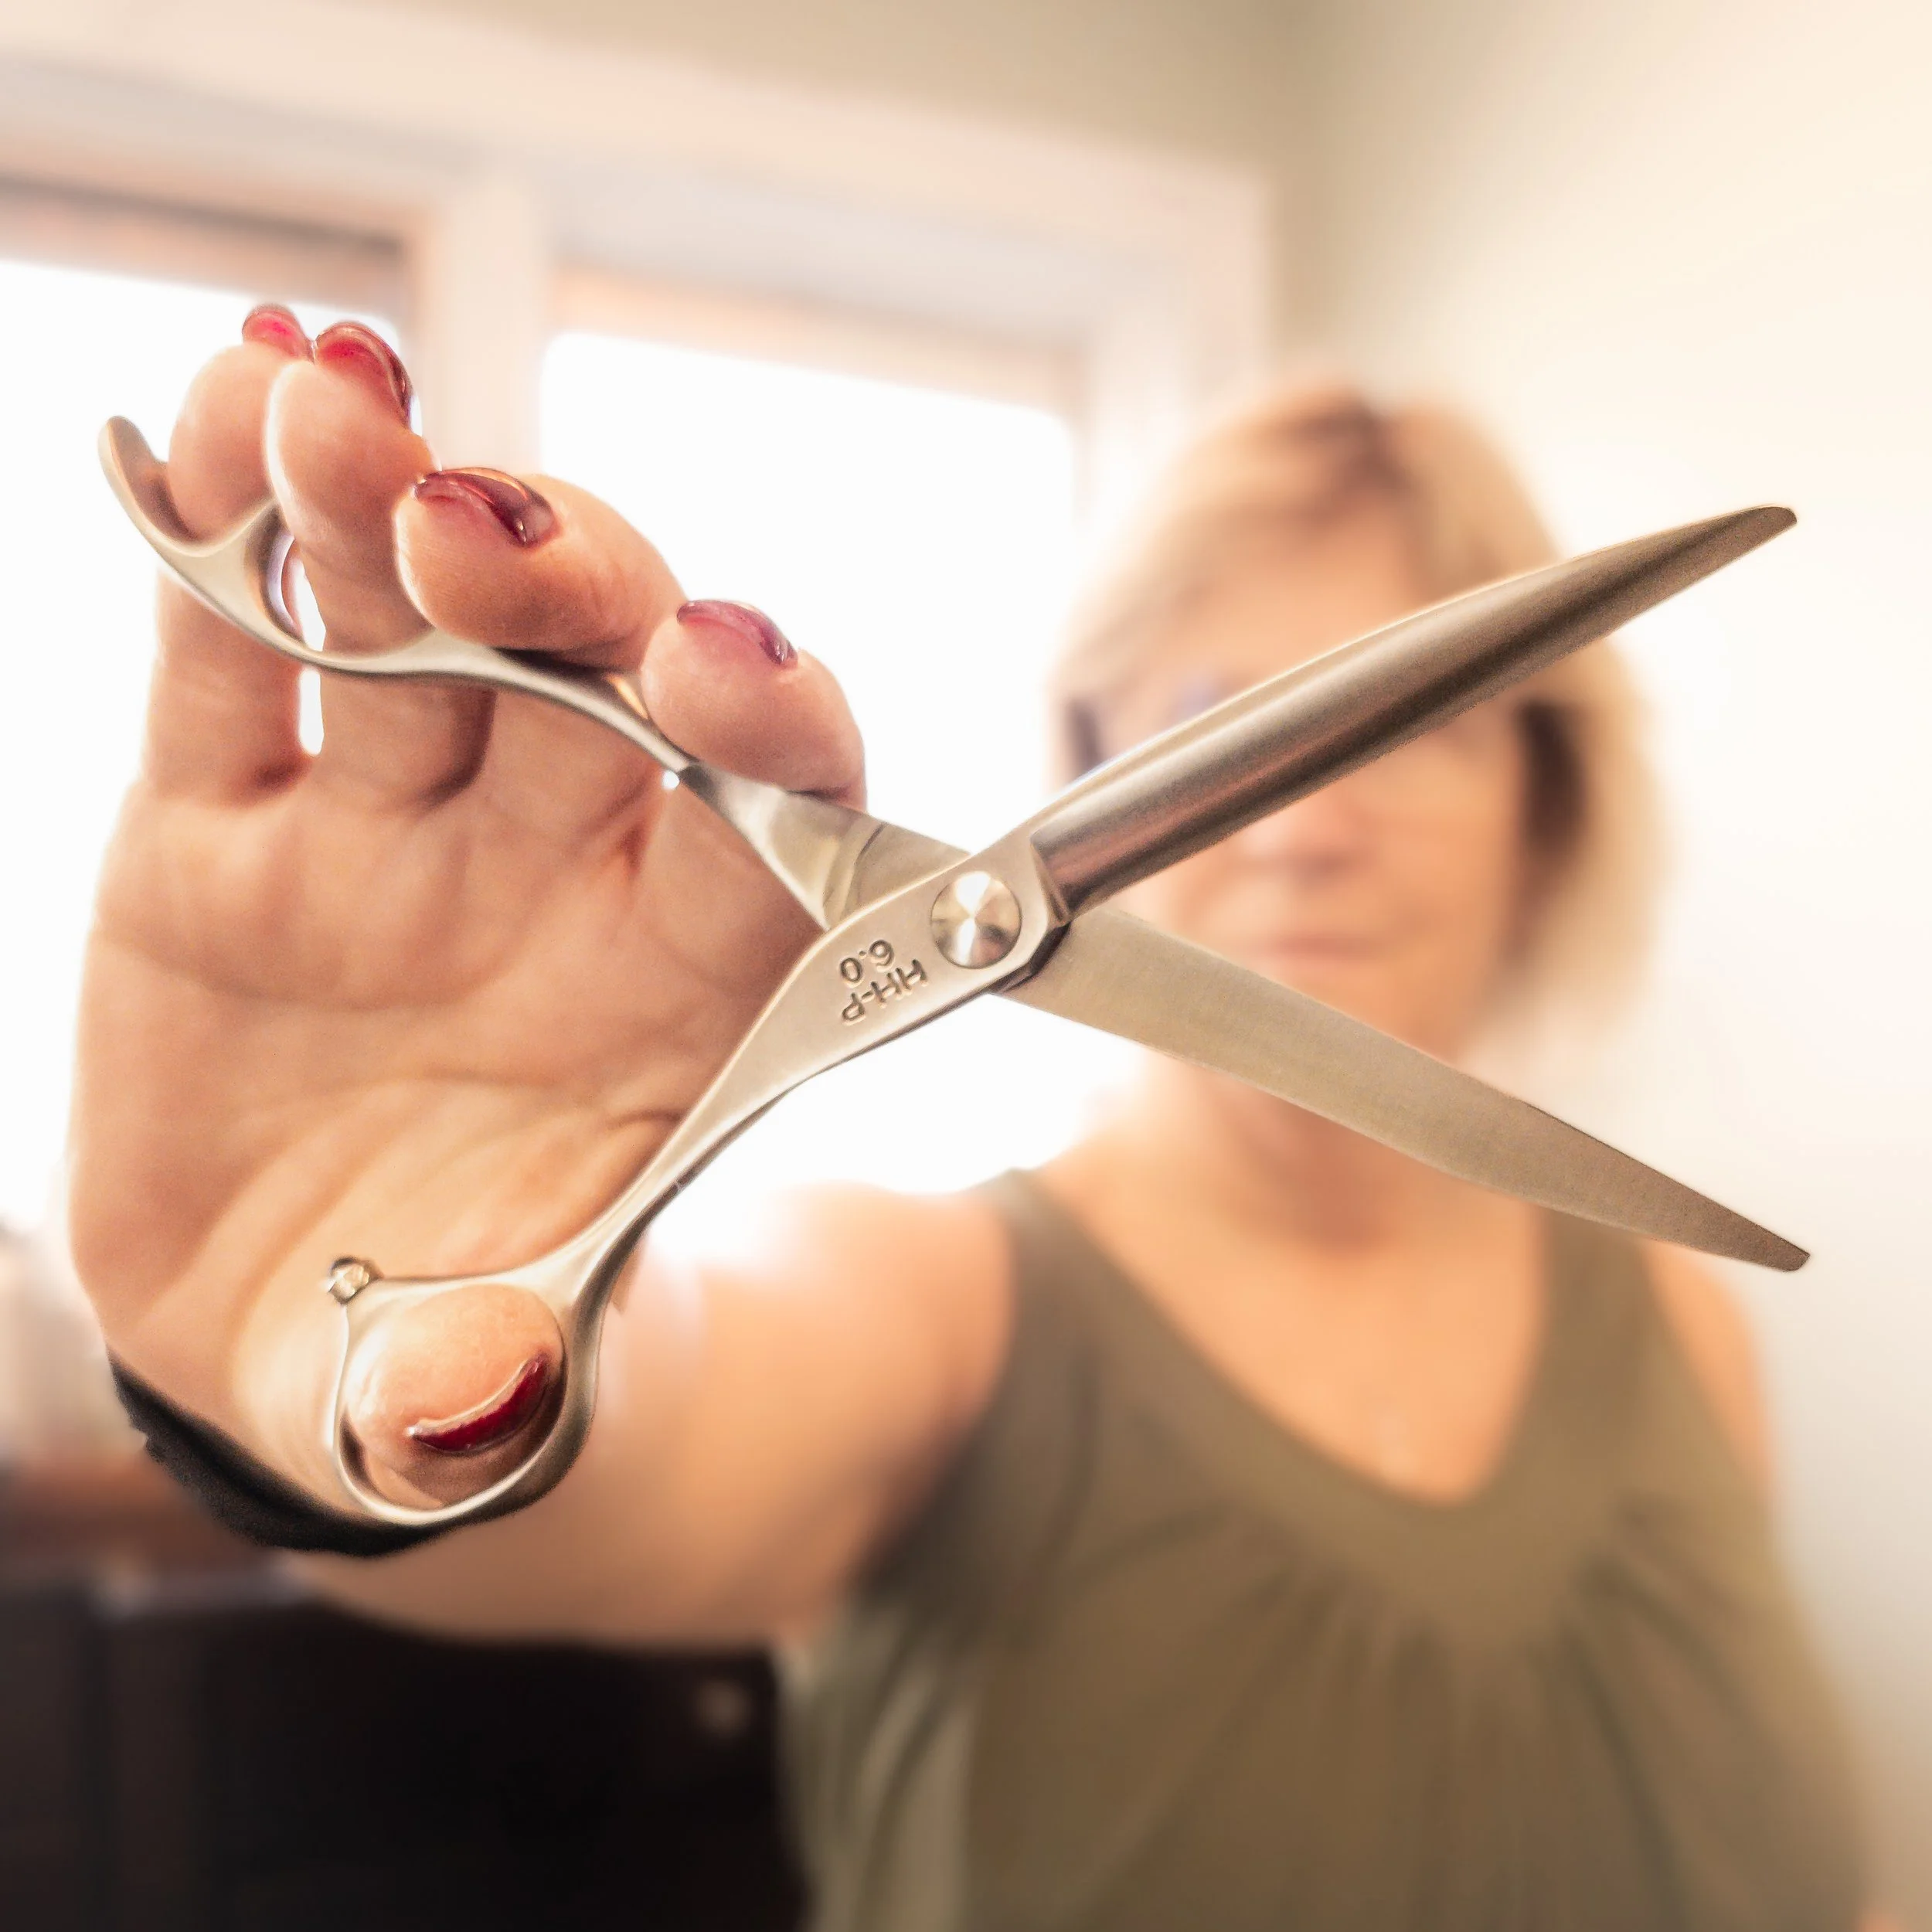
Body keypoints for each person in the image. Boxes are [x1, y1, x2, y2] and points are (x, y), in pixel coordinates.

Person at [76, 309, 1873, 1930]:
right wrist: (302, 1373)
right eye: (1208, 715)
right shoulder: (936, 1309)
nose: (1309, 823)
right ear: (1096, 764)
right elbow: (655, 1440)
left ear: (1540, 819)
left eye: (1425, 726)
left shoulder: (1686, 1334)